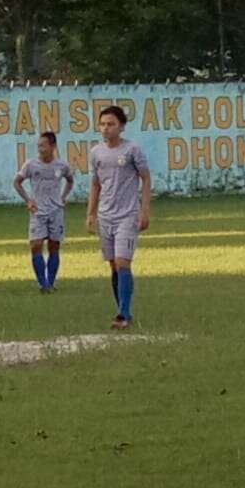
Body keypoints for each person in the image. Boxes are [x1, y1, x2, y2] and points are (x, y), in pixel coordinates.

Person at [86, 106, 151, 330]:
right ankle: (121, 309)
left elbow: (145, 178)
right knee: (113, 265)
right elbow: (95, 184)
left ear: (121, 126)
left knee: (123, 261)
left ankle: (124, 312)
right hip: (106, 216)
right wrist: (91, 213)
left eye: (111, 124)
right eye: (103, 124)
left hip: (127, 215)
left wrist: (144, 210)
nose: (106, 128)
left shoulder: (132, 149)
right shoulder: (96, 153)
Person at [14, 132, 75, 293]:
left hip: (56, 211)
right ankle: (43, 284)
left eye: (43, 145)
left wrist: (63, 197)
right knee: (36, 245)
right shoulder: (31, 165)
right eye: (38, 145)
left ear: (53, 146)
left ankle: (50, 282)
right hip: (38, 211)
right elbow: (17, 182)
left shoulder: (61, 165)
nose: (40, 149)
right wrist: (28, 200)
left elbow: (70, 179)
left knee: (54, 246)